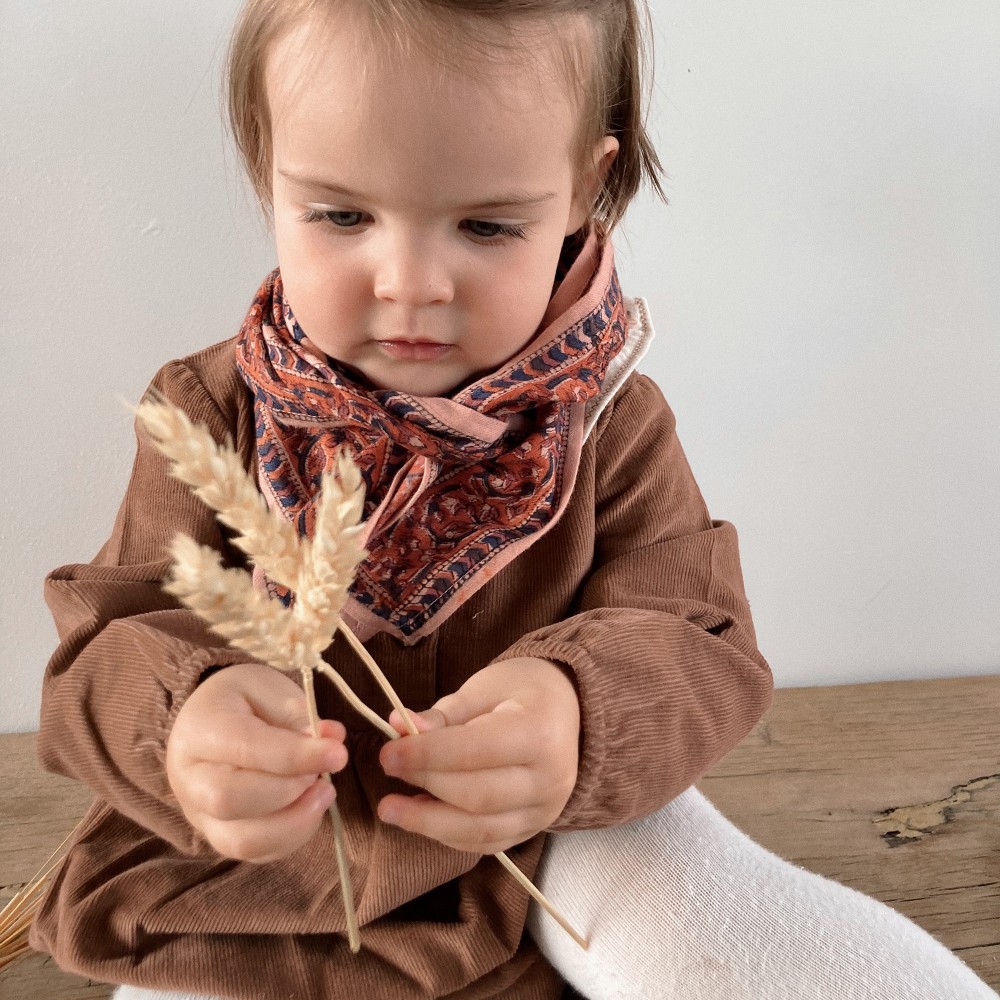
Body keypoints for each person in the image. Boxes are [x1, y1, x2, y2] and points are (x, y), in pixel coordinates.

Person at [30, 1, 998, 998]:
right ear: (267, 172)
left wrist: (580, 713)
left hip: (552, 837)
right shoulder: (210, 412)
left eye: (487, 225)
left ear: (590, 185)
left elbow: (698, 634)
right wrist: (182, 722)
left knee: (699, 916)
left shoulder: (606, 414)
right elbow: (101, 647)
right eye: (341, 216)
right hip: (260, 860)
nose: (409, 283)